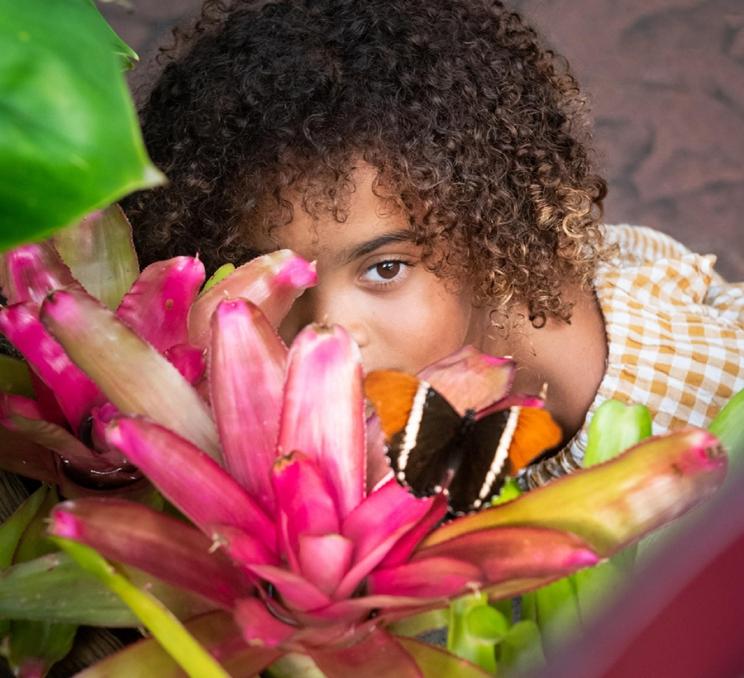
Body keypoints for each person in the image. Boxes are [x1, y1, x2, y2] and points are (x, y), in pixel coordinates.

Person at [124, 0, 744, 485]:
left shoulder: (691, 422)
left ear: (490, 235)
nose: (329, 334)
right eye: (280, 285)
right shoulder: (368, 419)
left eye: (385, 268)